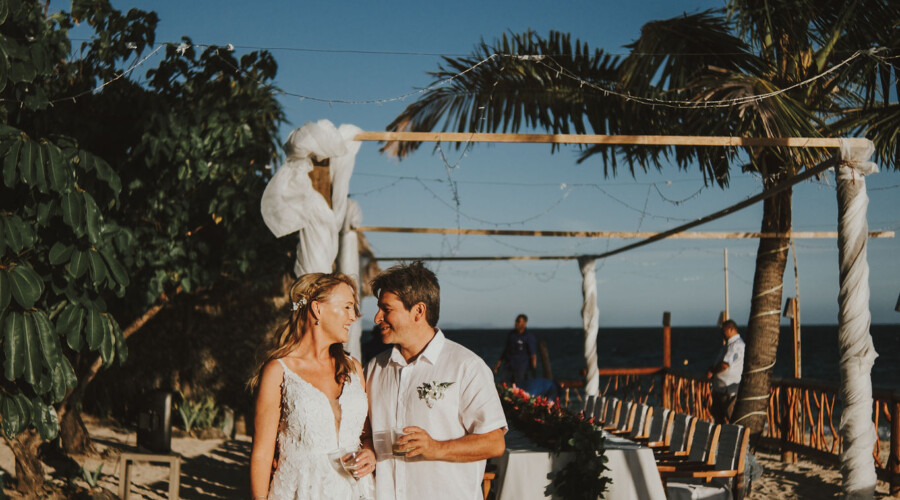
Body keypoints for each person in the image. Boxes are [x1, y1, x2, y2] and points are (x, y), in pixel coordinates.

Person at [365, 261, 507, 500]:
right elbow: (366, 433)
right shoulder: (375, 368)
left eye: (386, 309)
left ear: (418, 311)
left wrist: (435, 448)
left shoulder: (466, 366)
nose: (377, 317)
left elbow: (494, 443)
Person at [249, 273, 376, 500]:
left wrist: (368, 451)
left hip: (355, 491)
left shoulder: (354, 368)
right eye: (347, 307)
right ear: (317, 309)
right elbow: (261, 454)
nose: (354, 316)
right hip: (301, 491)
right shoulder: (279, 371)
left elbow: (365, 434)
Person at [706, 319, 745, 424]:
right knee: (719, 420)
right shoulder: (729, 345)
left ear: (731, 330)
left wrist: (713, 372)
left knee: (733, 421)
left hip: (729, 392)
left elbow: (725, 364)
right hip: (721, 390)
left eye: (723, 331)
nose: (722, 333)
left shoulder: (736, 345)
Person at [492, 314, 537, 385]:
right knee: (505, 386)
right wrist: (498, 363)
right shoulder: (511, 335)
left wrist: (534, 370)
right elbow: (506, 350)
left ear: (524, 323)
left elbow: (533, 355)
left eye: (519, 321)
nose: (516, 323)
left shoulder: (528, 337)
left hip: (521, 369)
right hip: (509, 367)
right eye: (516, 321)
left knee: (520, 387)